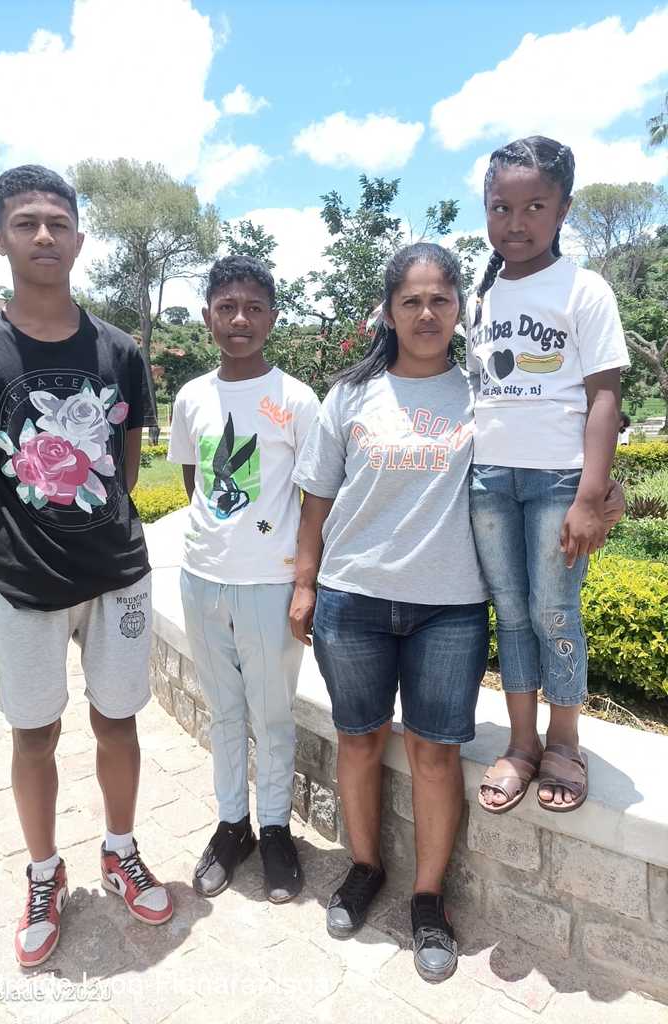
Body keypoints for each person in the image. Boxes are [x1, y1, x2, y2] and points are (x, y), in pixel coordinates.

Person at [0, 165, 172, 968]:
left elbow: (127, 468)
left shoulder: (119, 349)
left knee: (118, 720)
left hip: (117, 573)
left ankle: (120, 848)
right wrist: (21, 544)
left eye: (58, 222)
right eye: (26, 222)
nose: (44, 235)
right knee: (33, 732)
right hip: (24, 582)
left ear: (78, 239)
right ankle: (44, 873)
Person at [291, 243, 489, 982]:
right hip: (354, 600)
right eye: (412, 300)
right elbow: (316, 499)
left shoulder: (484, 394)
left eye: (441, 299)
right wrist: (305, 584)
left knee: (437, 754)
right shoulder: (351, 395)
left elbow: (542, 462)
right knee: (360, 739)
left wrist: (602, 487)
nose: (427, 313)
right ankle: (365, 866)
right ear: (388, 311)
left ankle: (428, 898)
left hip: (451, 609)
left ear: (459, 308)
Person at [466, 137, 630, 815]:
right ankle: (522, 743)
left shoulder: (584, 289)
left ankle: (565, 742)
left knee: (554, 610)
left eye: (535, 205)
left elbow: (604, 396)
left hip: (558, 481)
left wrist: (591, 493)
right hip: (488, 479)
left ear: (563, 209)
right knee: (510, 611)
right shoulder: (478, 294)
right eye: (500, 207)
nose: (516, 221)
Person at [168, 255, 320, 903]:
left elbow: (315, 501)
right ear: (208, 316)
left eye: (254, 308)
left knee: (272, 713)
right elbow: (194, 482)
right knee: (224, 711)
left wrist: (305, 583)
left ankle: (276, 827)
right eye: (227, 307)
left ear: (272, 318)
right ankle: (234, 826)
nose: (239, 319)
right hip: (201, 580)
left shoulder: (296, 400)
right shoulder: (191, 398)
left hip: (270, 587)